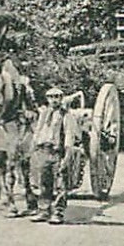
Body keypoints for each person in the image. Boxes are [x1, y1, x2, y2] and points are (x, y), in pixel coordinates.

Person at [29, 87, 73, 225]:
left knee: (60, 183)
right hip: (43, 150)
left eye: (57, 97)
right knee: (43, 182)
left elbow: (69, 135)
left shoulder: (66, 115)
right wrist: (35, 146)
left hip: (57, 152)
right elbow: (38, 131)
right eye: (51, 97)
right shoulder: (43, 114)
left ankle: (58, 212)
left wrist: (67, 155)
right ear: (47, 99)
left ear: (61, 99)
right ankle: (43, 210)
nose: (54, 100)